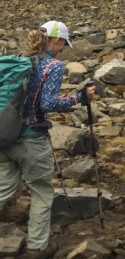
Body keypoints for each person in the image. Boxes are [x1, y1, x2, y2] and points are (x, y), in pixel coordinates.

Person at [0, 21, 95, 259]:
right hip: (32, 140)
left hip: (5, 135)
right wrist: (79, 97)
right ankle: (37, 248)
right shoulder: (52, 66)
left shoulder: (18, 60)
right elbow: (48, 104)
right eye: (63, 43)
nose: (63, 49)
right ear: (57, 41)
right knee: (42, 191)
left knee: (3, 187)